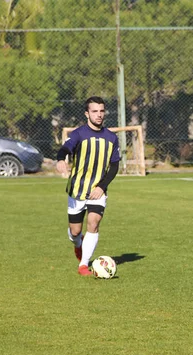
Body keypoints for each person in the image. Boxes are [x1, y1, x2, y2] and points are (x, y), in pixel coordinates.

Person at [56, 96, 121, 275]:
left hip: (97, 191)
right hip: (77, 190)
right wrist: (61, 159)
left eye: (101, 111)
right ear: (87, 114)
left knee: (94, 222)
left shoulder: (111, 137)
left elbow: (114, 165)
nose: (99, 115)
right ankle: (78, 243)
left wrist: (102, 186)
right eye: (94, 111)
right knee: (75, 231)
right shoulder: (78, 134)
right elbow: (65, 149)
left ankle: (83, 265)